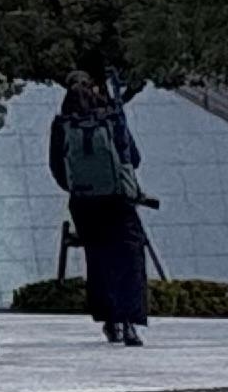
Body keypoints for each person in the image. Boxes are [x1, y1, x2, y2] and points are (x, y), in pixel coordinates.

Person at [49, 74, 152, 345]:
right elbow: (134, 157)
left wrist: (78, 186)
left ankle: (110, 321)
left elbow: (57, 167)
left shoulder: (63, 123)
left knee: (98, 259)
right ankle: (130, 322)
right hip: (117, 199)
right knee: (128, 258)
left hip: (83, 202)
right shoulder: (111, 117)